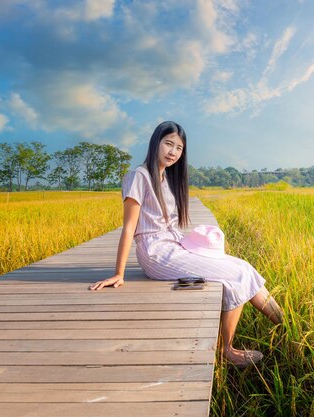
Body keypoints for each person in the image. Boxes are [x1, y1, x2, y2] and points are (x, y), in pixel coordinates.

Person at [89, 121, 283, 368]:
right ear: (155, 143)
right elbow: (129, 227)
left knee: (244, 267)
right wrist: (119, 273)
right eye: (168, 144)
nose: (173, 152)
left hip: (174, 245)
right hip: (156, 253)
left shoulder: (166, 178)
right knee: (235, 275)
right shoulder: (138, 176)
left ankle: (287, 326)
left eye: (179, 148)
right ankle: (228, 350)